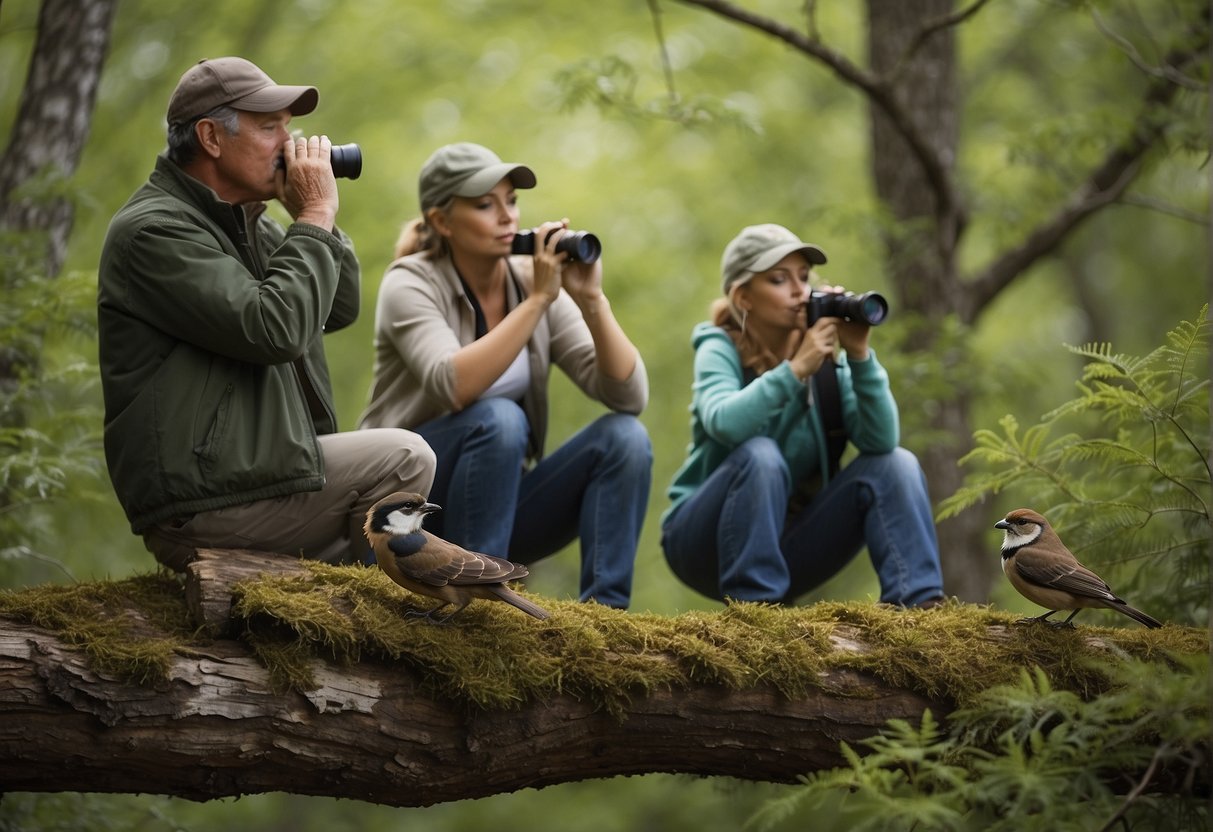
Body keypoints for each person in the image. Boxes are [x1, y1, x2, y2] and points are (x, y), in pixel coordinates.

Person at [97, 57, 435, 571]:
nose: (291, 143)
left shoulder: (246, 223)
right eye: (269, 126)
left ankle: (352, 611)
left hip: (257, 475)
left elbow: (338, 307)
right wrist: (316, 214)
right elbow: (276, 329)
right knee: (405, 458)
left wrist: (307, 217)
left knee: (396, 481)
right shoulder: (155, 232)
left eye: (289, 127)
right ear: (211, 137)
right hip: (210, 501)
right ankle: (369, 615)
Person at [358, 142, 651, 608]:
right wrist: (538, 302)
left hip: (493, 502)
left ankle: (606, 614)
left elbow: (628, 395)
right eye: (484, 205)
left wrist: (592, 300)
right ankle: (480, 599)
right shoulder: (409, 283)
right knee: (498, 417)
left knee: (625, 438)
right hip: (407, 528)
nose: (507, 217)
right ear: (441, 220)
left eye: (511, 201)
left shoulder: (530, 280)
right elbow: (454, 385)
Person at [660, 223, 945, 607]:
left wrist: (859, 356)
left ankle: (920, 609)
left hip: (789, 547)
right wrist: (794, 371)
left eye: (804, 277)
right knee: (761, 454)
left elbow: (881, 441)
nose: (799, 290)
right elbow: (724, 421)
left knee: (897, 463)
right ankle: (760, 618)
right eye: (779, 279)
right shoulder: (719, 347)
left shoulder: (824, 365)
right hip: (700, 543)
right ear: (742, 297)